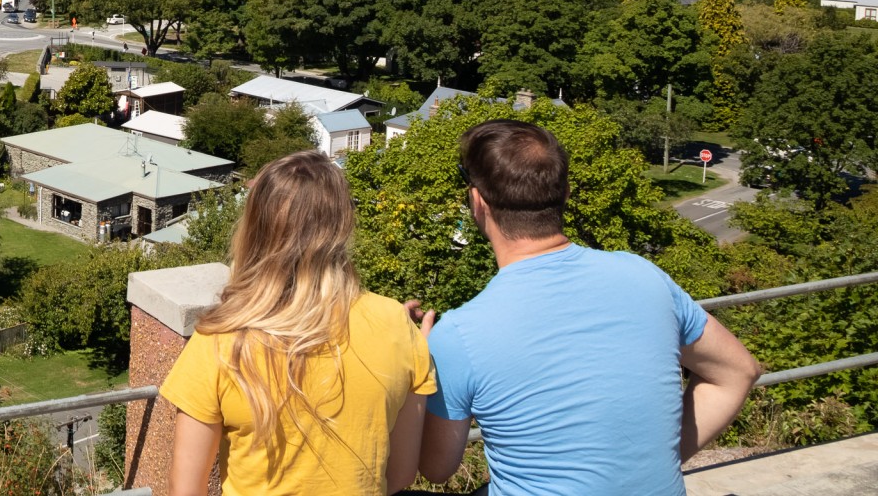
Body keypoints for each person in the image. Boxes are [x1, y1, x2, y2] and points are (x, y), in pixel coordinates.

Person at [415, 119, 762, 494]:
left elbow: (436, 469)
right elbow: (738, 371)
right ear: (565, 192)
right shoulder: (645, 276)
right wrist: (654, 462)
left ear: (478, 202)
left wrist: (419, 363)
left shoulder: (459, 334)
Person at [163, 151, 436, 495]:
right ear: (343, 226)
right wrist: (417, 347)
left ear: (256, 229)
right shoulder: (397, 324)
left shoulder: (220, 339)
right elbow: (399, 476)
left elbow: (184, 489)